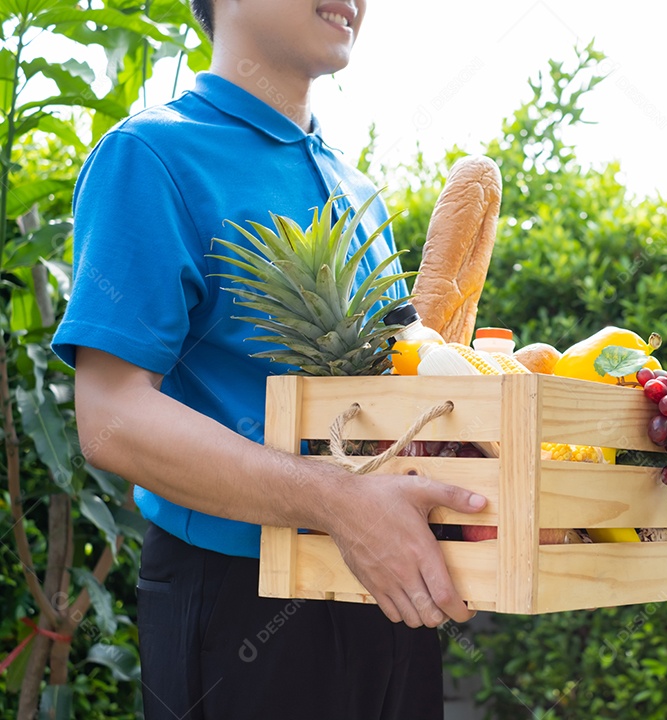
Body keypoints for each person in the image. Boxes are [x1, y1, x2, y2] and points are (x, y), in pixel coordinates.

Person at [51, 1, 487, 718]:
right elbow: (111, 417)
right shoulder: (152, 155)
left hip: (386, 589)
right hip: (239, 603)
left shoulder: (359, 192)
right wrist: (336, 500)